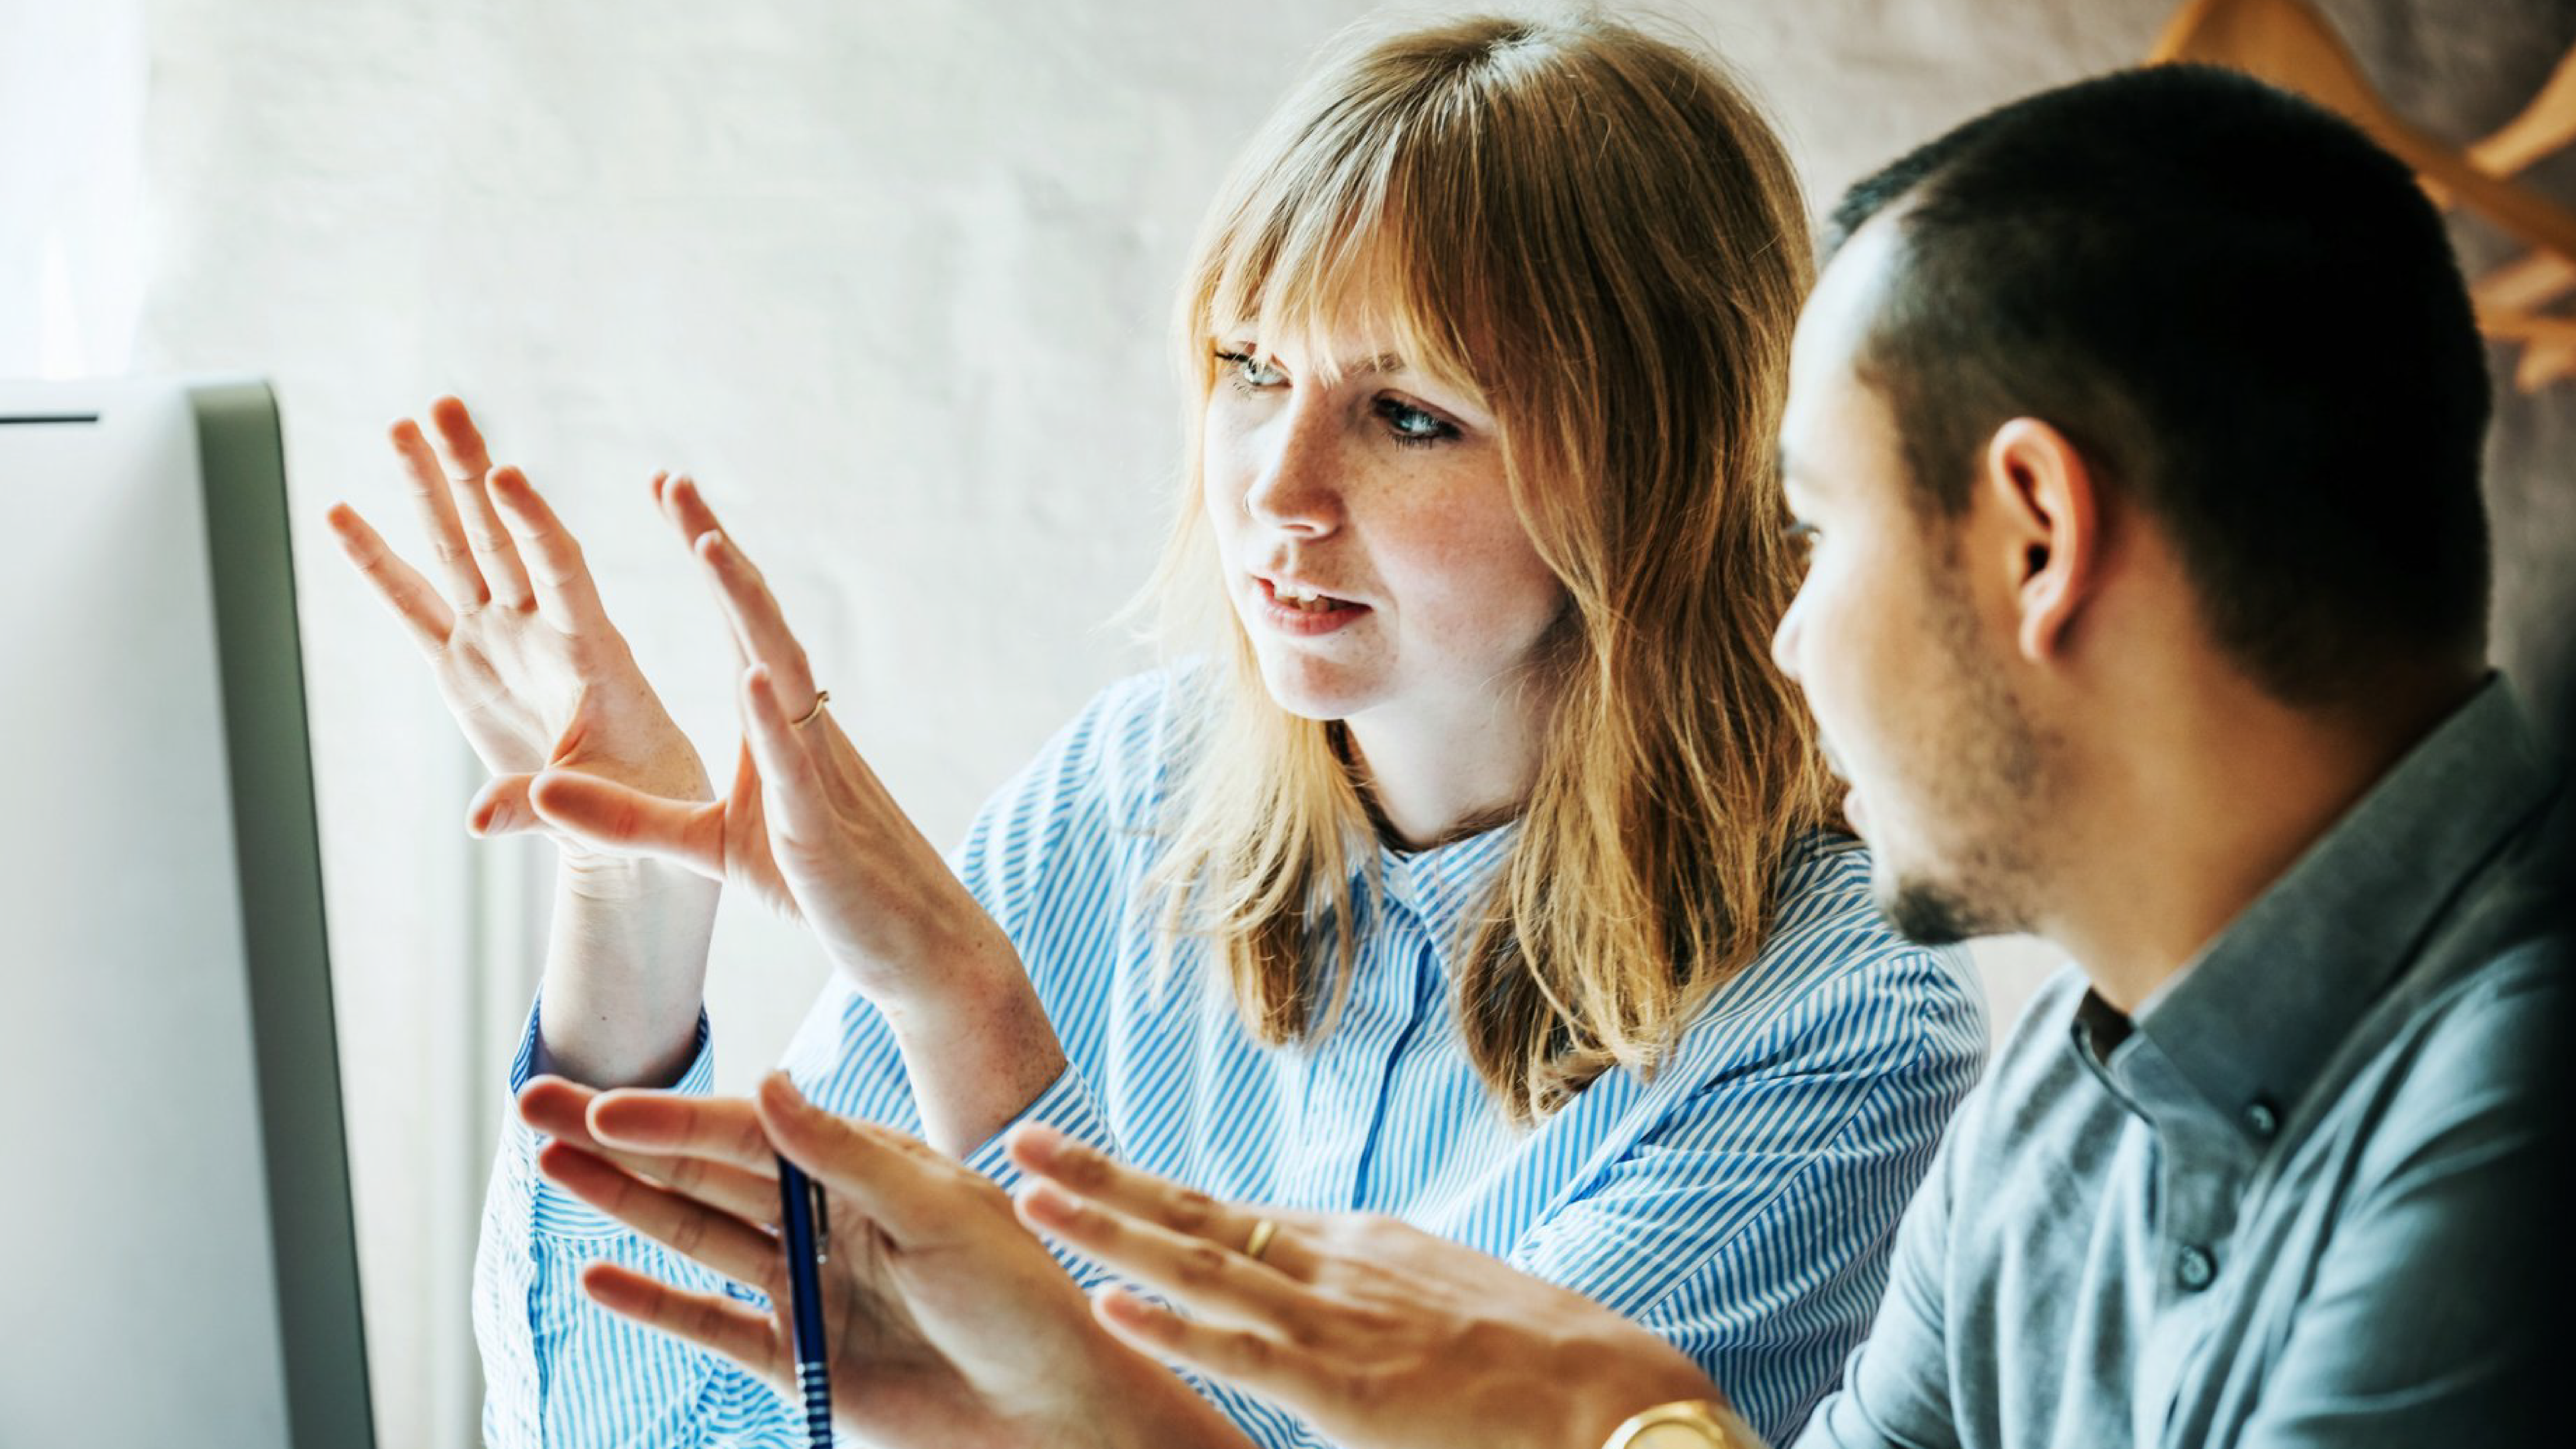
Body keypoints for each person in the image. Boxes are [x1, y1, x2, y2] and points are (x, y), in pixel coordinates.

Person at [326, 13, 1987, 1447]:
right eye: (1249, 367)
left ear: (1660, 469)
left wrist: (969, 1012)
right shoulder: (1128, 795)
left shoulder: (1842, 1021)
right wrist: (632, 908)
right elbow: (661, 1424)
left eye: (1410, 414)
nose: (1277, 488)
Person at [909, 62, 2567, 1448]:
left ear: (2038, 539)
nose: (1782, 634)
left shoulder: (2518, 1098)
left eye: (1816, 527)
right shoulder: (2075, 1081)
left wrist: (1622, 1427)